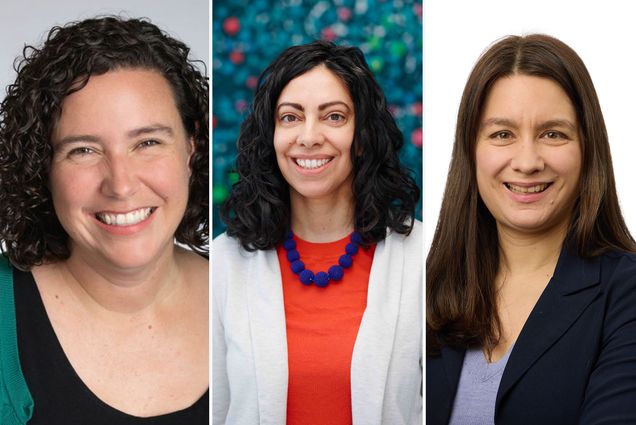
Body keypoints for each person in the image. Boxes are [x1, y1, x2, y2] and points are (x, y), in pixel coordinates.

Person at [0, 16, 209, 424]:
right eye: (83, 150)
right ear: (43, 166)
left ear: (190, 146)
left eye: (147, 142)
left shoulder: (242, 294)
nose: (121, 184)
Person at [426, 34, 636, 424]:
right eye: (502, 134)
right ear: (471, 152)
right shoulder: (425, 289)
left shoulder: (626, 294)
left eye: (553, 133)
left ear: (588, 149)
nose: (527, 161)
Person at [214, 40, 421, 425]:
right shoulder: (223, 263)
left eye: (334, 117)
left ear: (362, 137)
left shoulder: (420, 257)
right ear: (270, 134)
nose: (308, 137)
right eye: (290, 117)